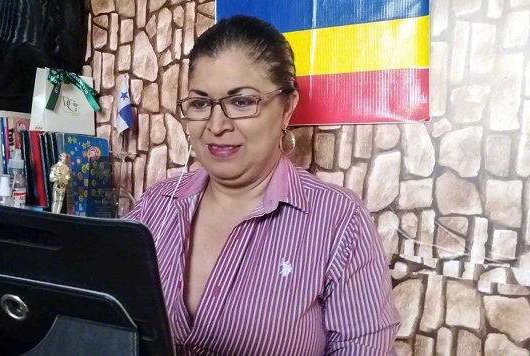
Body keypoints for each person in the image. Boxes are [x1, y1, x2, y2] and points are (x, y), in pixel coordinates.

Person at [126, 15, 400, 355]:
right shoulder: (156, 206)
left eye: (241, 102)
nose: (216, 125)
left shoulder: (339, 221)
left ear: (286, 109)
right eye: (200, 104)